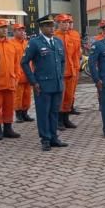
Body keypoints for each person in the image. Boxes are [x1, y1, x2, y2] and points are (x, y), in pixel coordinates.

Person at [21, 14, 68, 151]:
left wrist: (61, 75)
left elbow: (62, 60)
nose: (51, 28)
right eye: (48, 26)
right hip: (42, 85)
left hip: (57, 84)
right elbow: (24, 62)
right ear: (41, 28)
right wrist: (33, 81)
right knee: (43, 112)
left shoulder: (58, 42)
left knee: (54, 111)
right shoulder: (35, 42)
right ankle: (45, 139)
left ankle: (54, 137)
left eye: (52, 25)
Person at [0, 20, 21, 141]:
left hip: (10, 81)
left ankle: (8, 128)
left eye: (5, 27)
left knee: (9, 105)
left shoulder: (11, 44)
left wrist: (16, 76)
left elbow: (16, 63)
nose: (4, 30)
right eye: (1, 27)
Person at [54, 14, 80, 129]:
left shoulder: (73, 35)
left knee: (69, 96)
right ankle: (58, 120)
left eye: (67, 22)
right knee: (60, 97)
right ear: (58, 24)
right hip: (61, 72)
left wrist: (76, 67)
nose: (66, 24)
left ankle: (66, 118)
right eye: (63, 22)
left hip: (72, 71)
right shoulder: (55, 36)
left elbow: (76, 53)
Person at [11, 23, 34, 123]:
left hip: (27, 74)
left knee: (27, 95)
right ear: (14, 32)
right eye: (19, 30)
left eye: (23, 30)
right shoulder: (11, 44)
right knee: (18, 96)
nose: (22, 32)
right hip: (18, 74)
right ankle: (18, 114)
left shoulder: (27, 43)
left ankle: (25, 113)